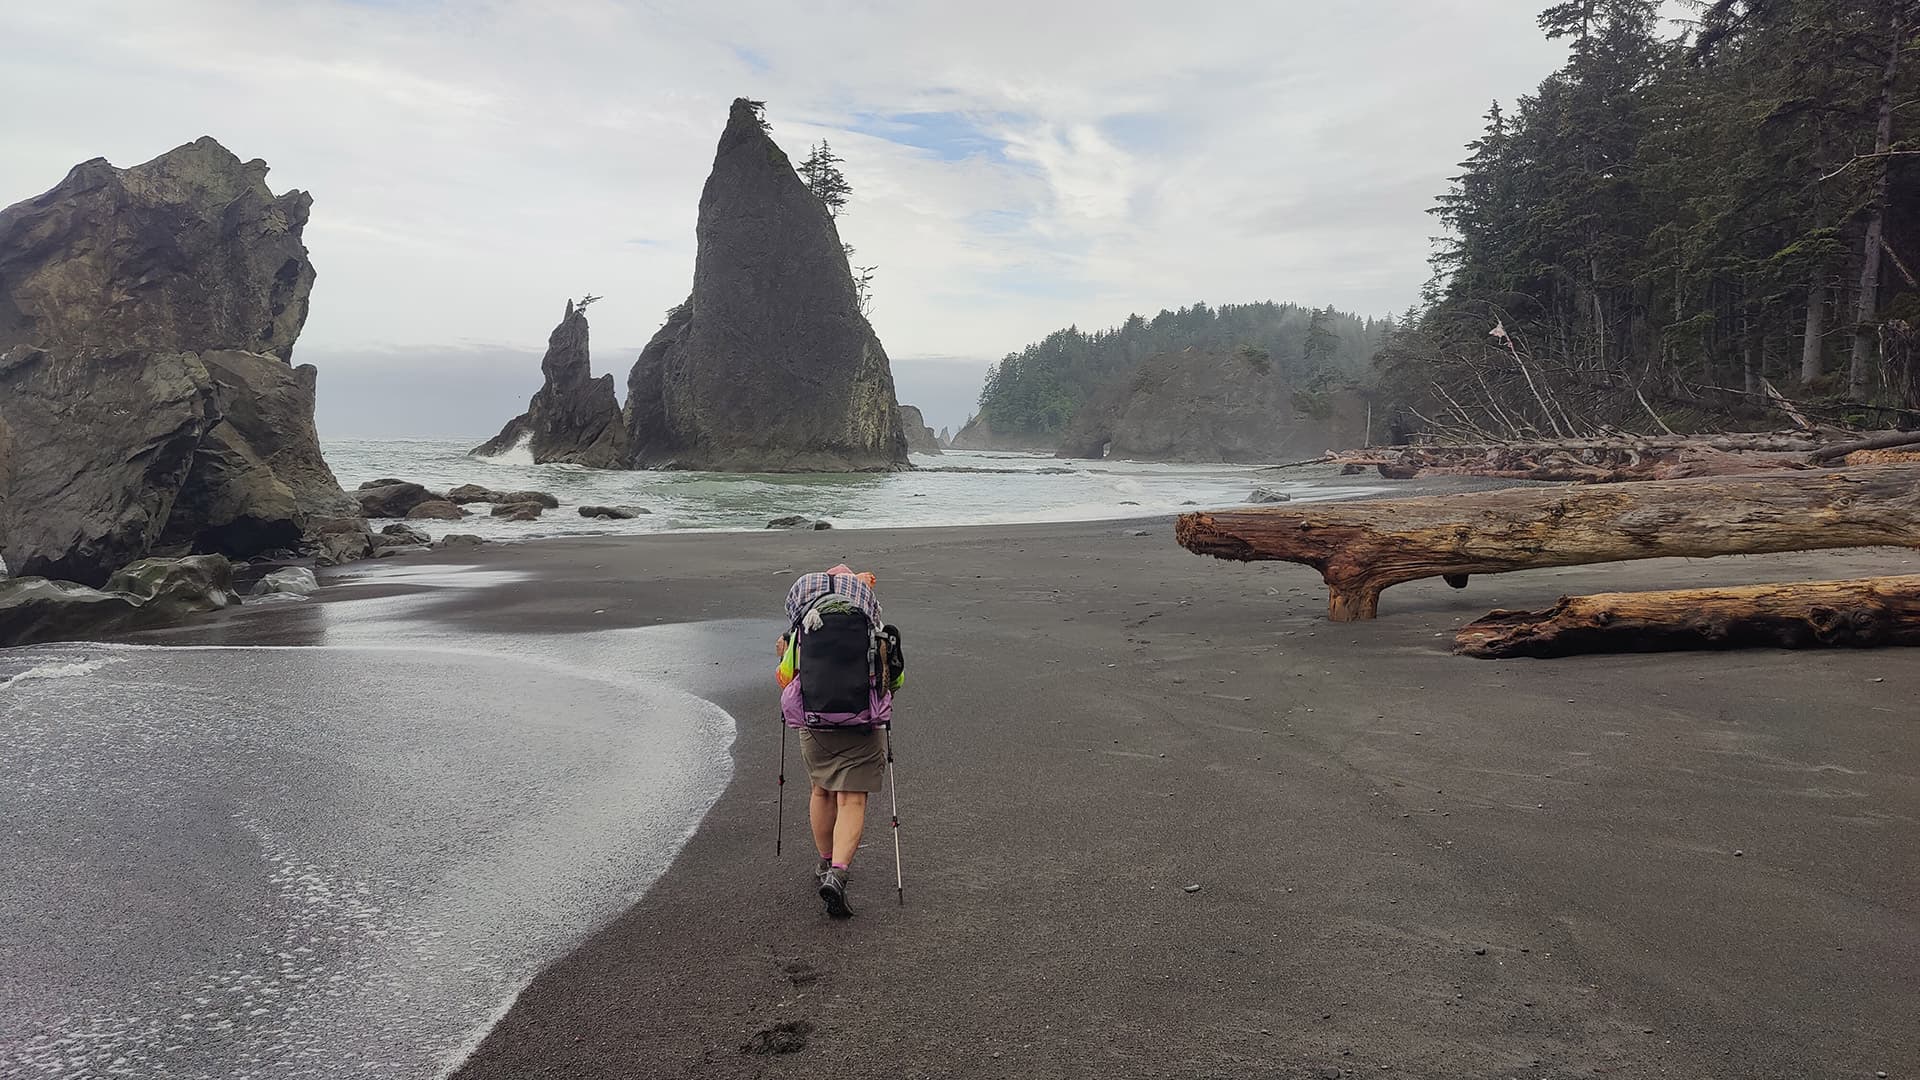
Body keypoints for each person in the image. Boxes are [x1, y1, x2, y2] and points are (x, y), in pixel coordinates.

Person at [776, 564, 902, 918]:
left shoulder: (802, 628)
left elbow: (785, 677)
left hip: (815, 725)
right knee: (852, 801)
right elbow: (893, 680)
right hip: (861, 723)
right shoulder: (870, 626)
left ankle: (825, 863)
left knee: (821, 790)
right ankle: (838, 873)